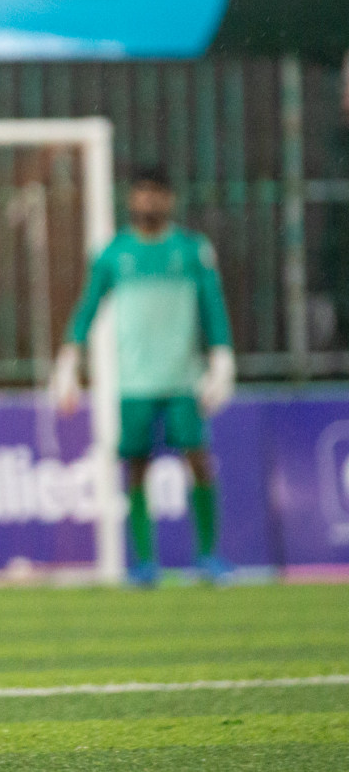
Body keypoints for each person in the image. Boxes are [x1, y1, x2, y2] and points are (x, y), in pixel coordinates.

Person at [53, 165, 235, 588]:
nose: (149, 201)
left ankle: (208, 555)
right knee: (136, 466)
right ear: (131, 199)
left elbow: (212, 305)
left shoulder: (192, 250)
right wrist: (69, 356)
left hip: (182, 378)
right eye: (142, 193)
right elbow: (88, 306)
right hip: (133, 381)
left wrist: (222, 358)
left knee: (199, 459)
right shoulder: (114, 253)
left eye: (157, 193)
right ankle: (145, 562)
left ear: (169, 199)